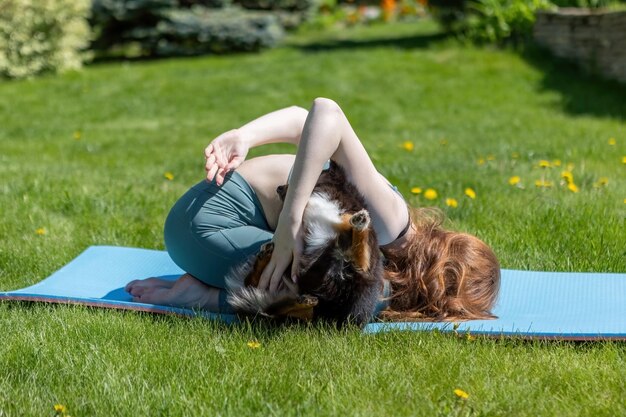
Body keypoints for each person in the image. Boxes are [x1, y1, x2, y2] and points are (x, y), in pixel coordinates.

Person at [125, 97, 500, 321]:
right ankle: (206, 297)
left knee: (350, 290)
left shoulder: (389, 229)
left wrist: (246, 137)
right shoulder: (391, 224)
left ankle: (205, 283)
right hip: (208, 223)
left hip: (213, 221)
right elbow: (325, 113)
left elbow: (303, 123)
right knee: (352, 304)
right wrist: (289, 222)